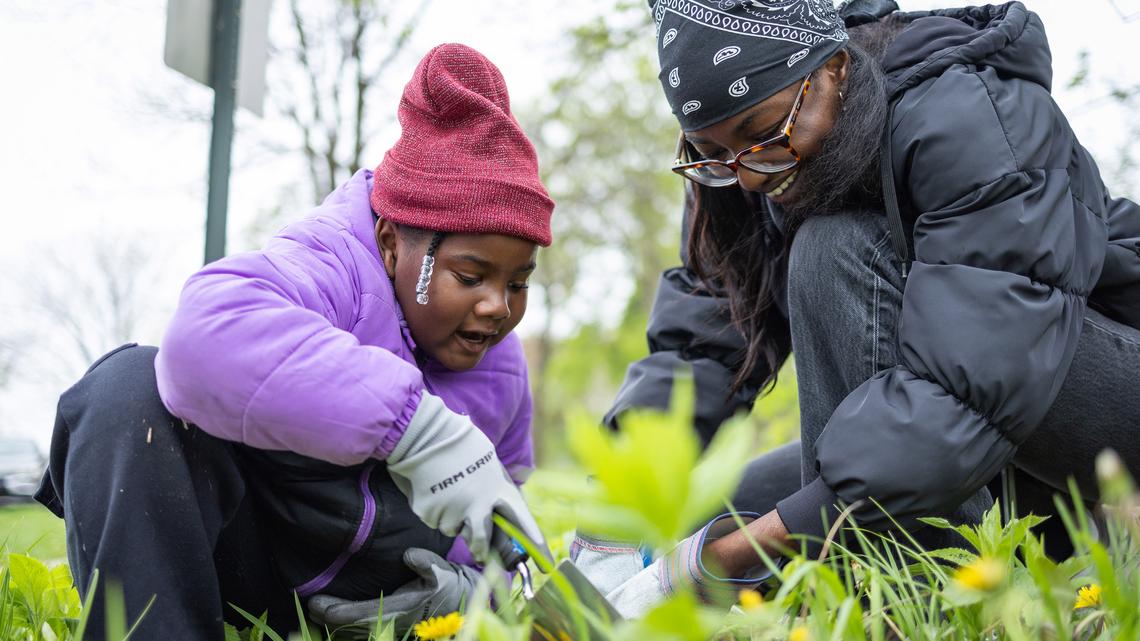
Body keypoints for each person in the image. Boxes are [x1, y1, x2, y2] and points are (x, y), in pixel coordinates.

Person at [589, 0, 1140, 615]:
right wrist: (609, 517)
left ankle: (923, 606)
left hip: (1092, 398)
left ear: (837, 69)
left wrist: (737, 555)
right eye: (710, 151)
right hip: (979, 444)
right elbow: (700, 341)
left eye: (762, 132)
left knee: (835, 248)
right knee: (700, 516)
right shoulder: (743, 162)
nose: (744, 175)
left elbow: (972, 382)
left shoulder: (967, 112)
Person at [35, 43, 553, 639]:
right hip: (257, 568)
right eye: (470, 275)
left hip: (378, 602)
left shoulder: (503, 367)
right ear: (390, 242)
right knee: (127, 390)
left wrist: (470, 599)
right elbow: (203, 336)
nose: (498, 306)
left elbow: (500, 539)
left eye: (518, 282)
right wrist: (418, 429)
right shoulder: (334, 265)